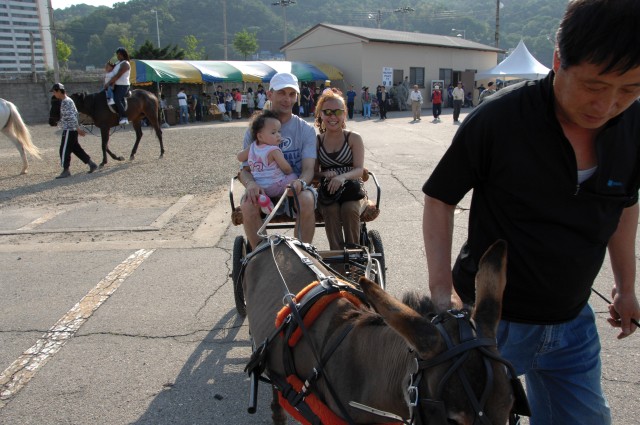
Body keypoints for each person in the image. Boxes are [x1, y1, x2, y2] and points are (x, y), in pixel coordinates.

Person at [422, 1, 640, 424]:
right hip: (491, 325)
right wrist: (440, 287)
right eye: (594, 86)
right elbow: (439, 198)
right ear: (558, 61)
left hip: (573, 322)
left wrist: (625, 287)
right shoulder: (498, 120)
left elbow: (625, 205)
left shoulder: (633, 128)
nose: (608, 104)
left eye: (630, 89)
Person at [239, 72, 317, 249]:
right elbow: (244, 169)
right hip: (263, 188)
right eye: (282, 93)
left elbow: (308, 168)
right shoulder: (255, 129)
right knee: (247, 203)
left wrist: (300, 182)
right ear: (270, 94)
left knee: (306, 198)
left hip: (291, 188)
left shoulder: (305, 129)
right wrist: (250, 184)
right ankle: (261, 256)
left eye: (291, 94)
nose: (287, 99)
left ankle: (301, 255)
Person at [314, 89, 367, 250]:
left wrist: (342, 177)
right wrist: (324, 173)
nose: (332, 117)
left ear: (344, 114)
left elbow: (359, 170)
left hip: (352, 189)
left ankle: (354, 255)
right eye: (327, 112)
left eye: (337, 112)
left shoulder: (353, 138)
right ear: (320, 114)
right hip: (328, 193)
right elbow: (313, 173)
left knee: (349, 209)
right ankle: (337, 259)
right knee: (330, 210)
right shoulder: (317, 141)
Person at [237, 110, 297, 199]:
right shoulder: (273, 150)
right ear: (260, 136)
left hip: (259, 186)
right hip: (274, 186)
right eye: (273, 133)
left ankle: (265, 202)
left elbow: (239, 157)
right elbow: (286, 169)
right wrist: (291, 172)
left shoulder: (252, 146)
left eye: (279, 131)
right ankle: (285, 199)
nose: (278, 135)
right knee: (294, 177)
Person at [50, 83, 98, 179]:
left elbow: (71, 117)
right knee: (75, 148)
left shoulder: (65, 102)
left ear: (59, 91)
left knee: (63, 149)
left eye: (54, 92)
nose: (53, 94)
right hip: (70, 128)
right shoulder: (67, 101)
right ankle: (91, 164)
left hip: (69, 129)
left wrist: (77, 129)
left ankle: (66, 170)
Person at [104, 47, 131, 125]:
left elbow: (118, 76)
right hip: (114, 85)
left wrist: (108, 83)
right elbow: (110, 70)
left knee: (117, 99)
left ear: (123, 54)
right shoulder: (117, 63)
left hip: (123, 85)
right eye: (117, 55)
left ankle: (124, 117)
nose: (118, 56)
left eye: (119, 55)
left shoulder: (125, 64)